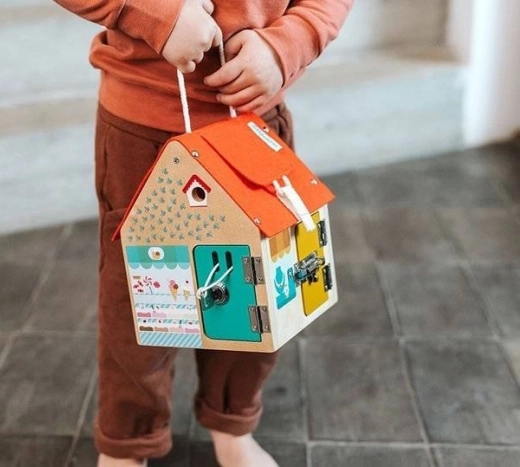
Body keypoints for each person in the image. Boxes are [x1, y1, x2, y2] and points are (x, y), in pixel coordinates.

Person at [52, 1, 353, 465]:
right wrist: (152, 13)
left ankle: (230, 421)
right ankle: (127, 442)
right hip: (142, 127)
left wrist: (288, 44)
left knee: (255, 292)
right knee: (135, 301)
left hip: (252, 126)